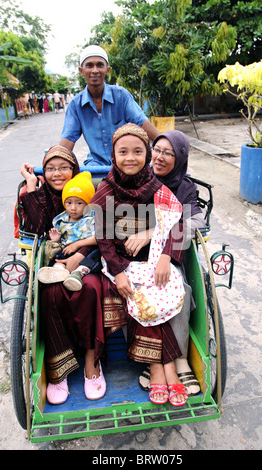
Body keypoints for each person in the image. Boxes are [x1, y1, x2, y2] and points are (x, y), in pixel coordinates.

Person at [92, 123, 188, 406]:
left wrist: (164, 257)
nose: (130, 158)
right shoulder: (106, 189)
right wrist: (119, 272)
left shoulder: (156, 187)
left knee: (162, 290)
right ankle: (163, 367)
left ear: (146, 155)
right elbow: (103, 237)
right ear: (113, 155)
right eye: (123, 152)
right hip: (118, 261)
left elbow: (177, 222)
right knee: (137, 297)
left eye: (137, 151)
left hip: (151, 257)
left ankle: (165, 367)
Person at [20, 146, 106, 405]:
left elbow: (103, 232)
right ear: (44, 172)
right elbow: (36, 230)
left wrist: (80, 255)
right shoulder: (45, 198)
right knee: (48, 292)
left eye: (63, 168)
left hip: (86, 261)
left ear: (74, 170)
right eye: (50, 169)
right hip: (55, 262)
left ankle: (92, 360)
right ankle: (58, 369)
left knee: (90, 287)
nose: (57, 174)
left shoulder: (92, 198)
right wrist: (32, 186)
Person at [133, 130, 205, 395]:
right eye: (157, 150)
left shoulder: (185, 187)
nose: (160, 158)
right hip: (137, 254)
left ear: (181, 157)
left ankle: (180, 358)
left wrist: (160, 240)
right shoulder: (140, 178)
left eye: (169, 153)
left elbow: (196, 221)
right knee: (144, 288)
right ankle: (156, 359)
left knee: (180, 288)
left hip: (170, 254)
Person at [59, 45, 160, 166]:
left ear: (108, 70)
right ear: (81, 71)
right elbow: (68, 139)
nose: (95, 70)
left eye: (100, 65)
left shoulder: (121, 96)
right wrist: (55, 161)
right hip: (96, 165)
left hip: (126, 163)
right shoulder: (76, 105)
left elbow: (142, 122)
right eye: (89, 65)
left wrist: (165, 146)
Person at [37, 171, 101, 291]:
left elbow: (98, 238)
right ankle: (58, 270)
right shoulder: (62, 219)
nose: (73, 208)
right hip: (68, 249)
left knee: (96, 255)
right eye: (69, 202)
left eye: (79, 203)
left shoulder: (91, 217)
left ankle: (78, 273)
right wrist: (56, 239)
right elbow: (63, 241)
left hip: (86, 249)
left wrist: (77, 244)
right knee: (57, 256)